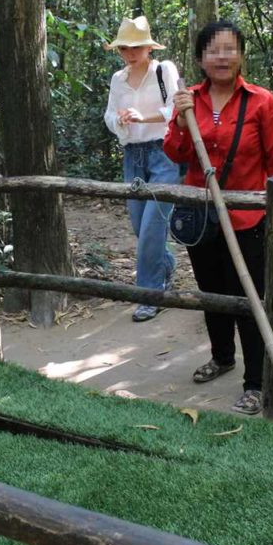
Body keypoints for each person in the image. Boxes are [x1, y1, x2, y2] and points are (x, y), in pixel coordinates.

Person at [164, 21, 273, 416]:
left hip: (249, 219)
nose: (222, 57)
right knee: (212, 294)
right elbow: (175, 153)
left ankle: (256, 382)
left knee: (249, 300)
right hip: (202, 217)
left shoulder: (262, 101)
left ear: (241, 55)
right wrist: (179, 121)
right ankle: (222, 356)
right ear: (200, 58)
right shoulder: (187, 99)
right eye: (214, 50)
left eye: (230, 49)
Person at [103, 16, 179, 323]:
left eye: (136, 46)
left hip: (164, 154)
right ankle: (166, 267)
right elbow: (108, 115)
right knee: (140, 226)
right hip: (132, 157)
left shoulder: (164, 70)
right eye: (124, 47)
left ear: (148, 47)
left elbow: (177, 108)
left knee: (151, 227)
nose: (130, 53)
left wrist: (143, 118)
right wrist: (119, 120)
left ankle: (149, 295)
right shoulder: (117, 79)